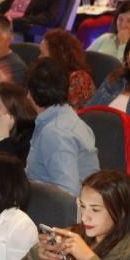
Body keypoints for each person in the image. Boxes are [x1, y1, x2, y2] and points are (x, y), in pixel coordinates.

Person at [27, 58, 99, 196]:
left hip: (52, 211)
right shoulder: (67, 118)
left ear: (30, 93)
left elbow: (68, 194)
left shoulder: (55, 133)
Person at [39, 28, 96, 109]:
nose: (39, 58)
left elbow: (71, 115)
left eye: (42, 54)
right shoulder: (50, 75)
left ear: (57, 57)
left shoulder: (79, 79)